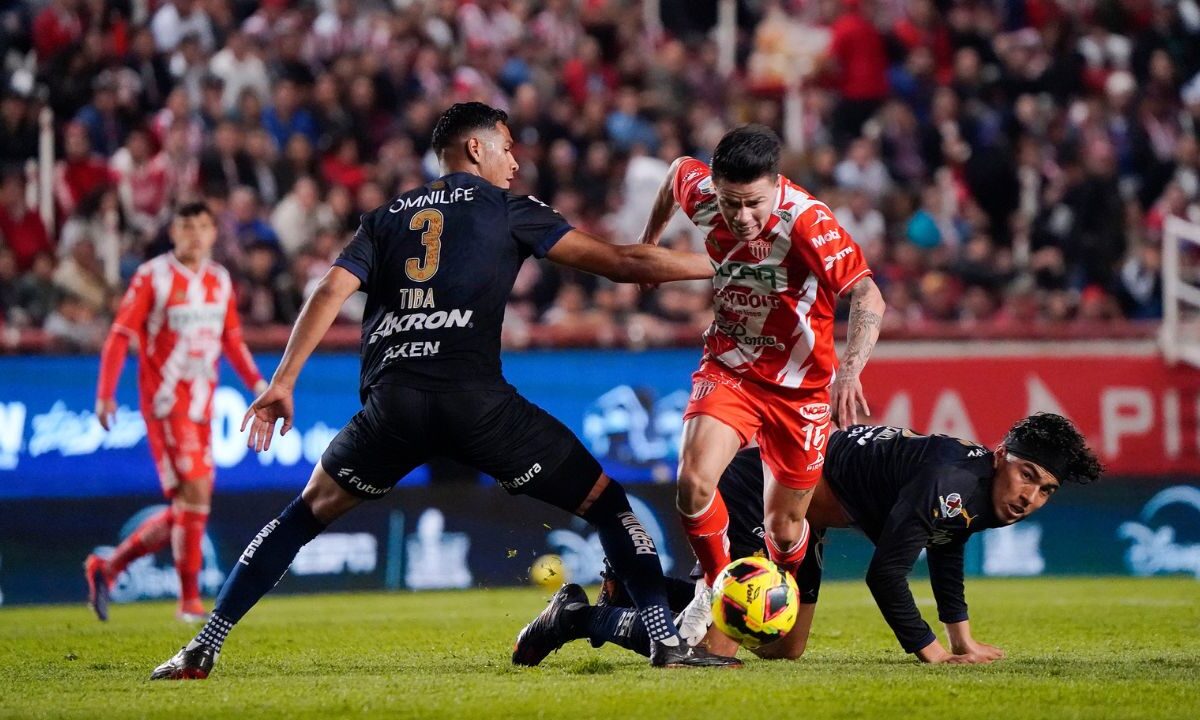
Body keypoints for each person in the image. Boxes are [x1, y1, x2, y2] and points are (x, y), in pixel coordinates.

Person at [150, 102, 740, 680]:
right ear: (475, 148)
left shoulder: (384, 216)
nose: (514, 161)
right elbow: (620, 262)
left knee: (301, 517)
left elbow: (329, 291)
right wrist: (719, 265)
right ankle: (665, 642)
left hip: (392, 407)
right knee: (608, 505)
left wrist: (282, 383)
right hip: (476, 404)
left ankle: (202, 647)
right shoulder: (509, 208)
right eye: (507, 147)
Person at [512, 414, 1102, 665]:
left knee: (784, 647)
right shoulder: (952, 481)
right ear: (1003, 457)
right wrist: (930, 650)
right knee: (714, 652)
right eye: (1028, 476)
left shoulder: (990, 492)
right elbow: (885, 574)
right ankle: (581, 617)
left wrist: (963, 638)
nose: (1030, 496)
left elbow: (946, 544)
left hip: (805, 517)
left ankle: (635, 595)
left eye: (1046, 489)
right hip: (761, 492)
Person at [638, 124, 886, 640]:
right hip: (730, 368)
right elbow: (673, 174)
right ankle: (713, 587)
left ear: (776, 184)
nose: (742, 217)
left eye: (753, 203)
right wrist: (650, 242)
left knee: (784, 528)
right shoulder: (702, 191)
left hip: (801, 390)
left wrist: (850, 370)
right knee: (693, 482)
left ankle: (780, 596)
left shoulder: (810, 222)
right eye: (732, 203)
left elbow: (867, 296)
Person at [85, 202, 267, 622]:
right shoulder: (153, 276)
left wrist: (259, 384)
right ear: (172, 232)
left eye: (203, 226)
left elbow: (232, 341)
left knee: (190, 505)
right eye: (186, 226)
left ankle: (108, 567)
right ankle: (188, 603)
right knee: (196, 495)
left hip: (204, 404)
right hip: (166, 404)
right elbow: (119, 335)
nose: (195, 235)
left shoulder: (220, 280)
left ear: (214, 233)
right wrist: (105, 394)